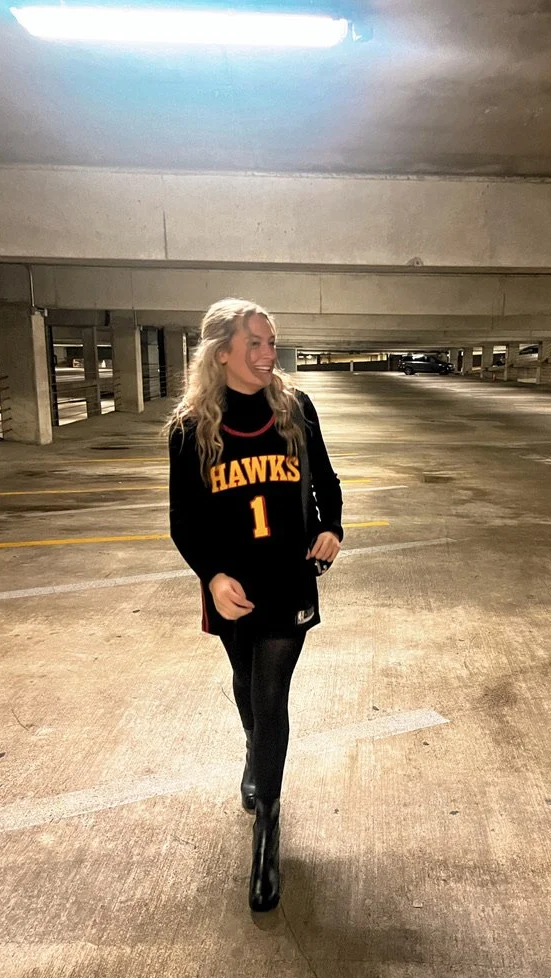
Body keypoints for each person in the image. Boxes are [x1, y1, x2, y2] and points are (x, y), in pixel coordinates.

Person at [166, 298, 343, 913]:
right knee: (244, 680)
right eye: (257, 344)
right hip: (232, 586)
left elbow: (326, 483)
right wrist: (212, 575)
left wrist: (331, 528)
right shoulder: (192, 427)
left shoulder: (296, 409)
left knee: (271, 695)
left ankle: (267, 825)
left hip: (288, 578)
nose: (270, 354)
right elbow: (184, 519)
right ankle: (253, 750)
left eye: (272, 342)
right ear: (223, 353)